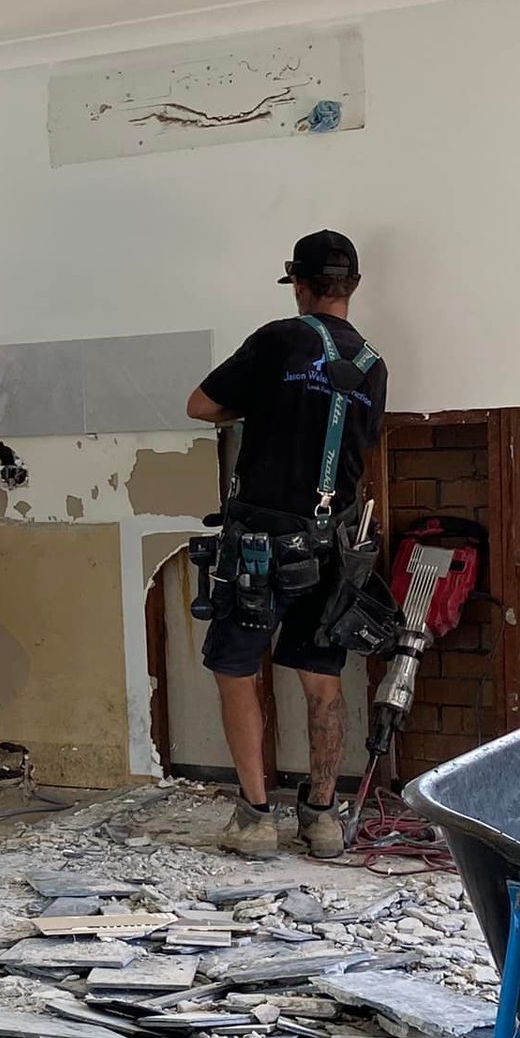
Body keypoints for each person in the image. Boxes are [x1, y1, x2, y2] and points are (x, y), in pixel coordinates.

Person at [186, 230, 389, 859]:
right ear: (351, 286)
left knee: (235, 666)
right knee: (322, 675)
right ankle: (323, 818)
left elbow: (200, 405)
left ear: (300, 284)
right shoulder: (374, 364)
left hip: (262, 542)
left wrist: (258, 413)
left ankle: (254, 817)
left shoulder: (281, 338)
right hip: (335, 542)